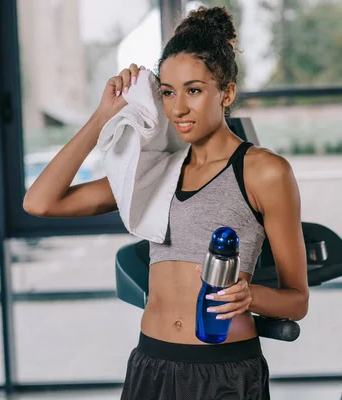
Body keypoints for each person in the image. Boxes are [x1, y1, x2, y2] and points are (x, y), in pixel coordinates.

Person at [23, 5, 309, 400]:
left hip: (223, 370)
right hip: (151, 363)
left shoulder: (264, 171)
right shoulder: (155, 171)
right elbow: (41, 202)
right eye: (168, 92)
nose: (177, 108)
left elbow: (297, 301)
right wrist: (102, 116)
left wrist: (252, 296)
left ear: (226, 93)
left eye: (193, 90)